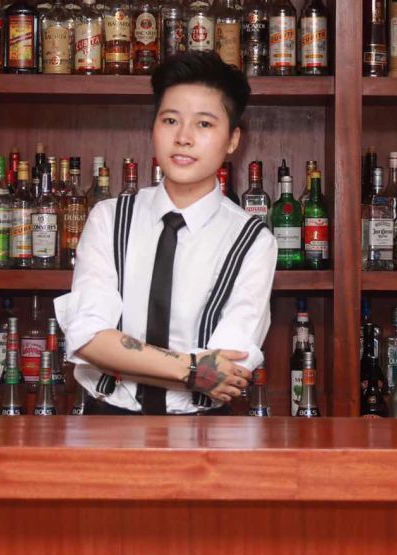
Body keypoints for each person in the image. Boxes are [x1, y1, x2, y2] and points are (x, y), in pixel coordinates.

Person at [54, 52, 277, 415]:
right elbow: (87, 337)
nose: (183, 137)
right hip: (107, 423)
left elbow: (227, 371)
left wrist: (120, 354)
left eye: (204, 124)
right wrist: (192, 369)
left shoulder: (253, 240)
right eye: (171, 120)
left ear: (233, 139)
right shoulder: (109, 218)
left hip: (205, 430)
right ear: (153, 128)